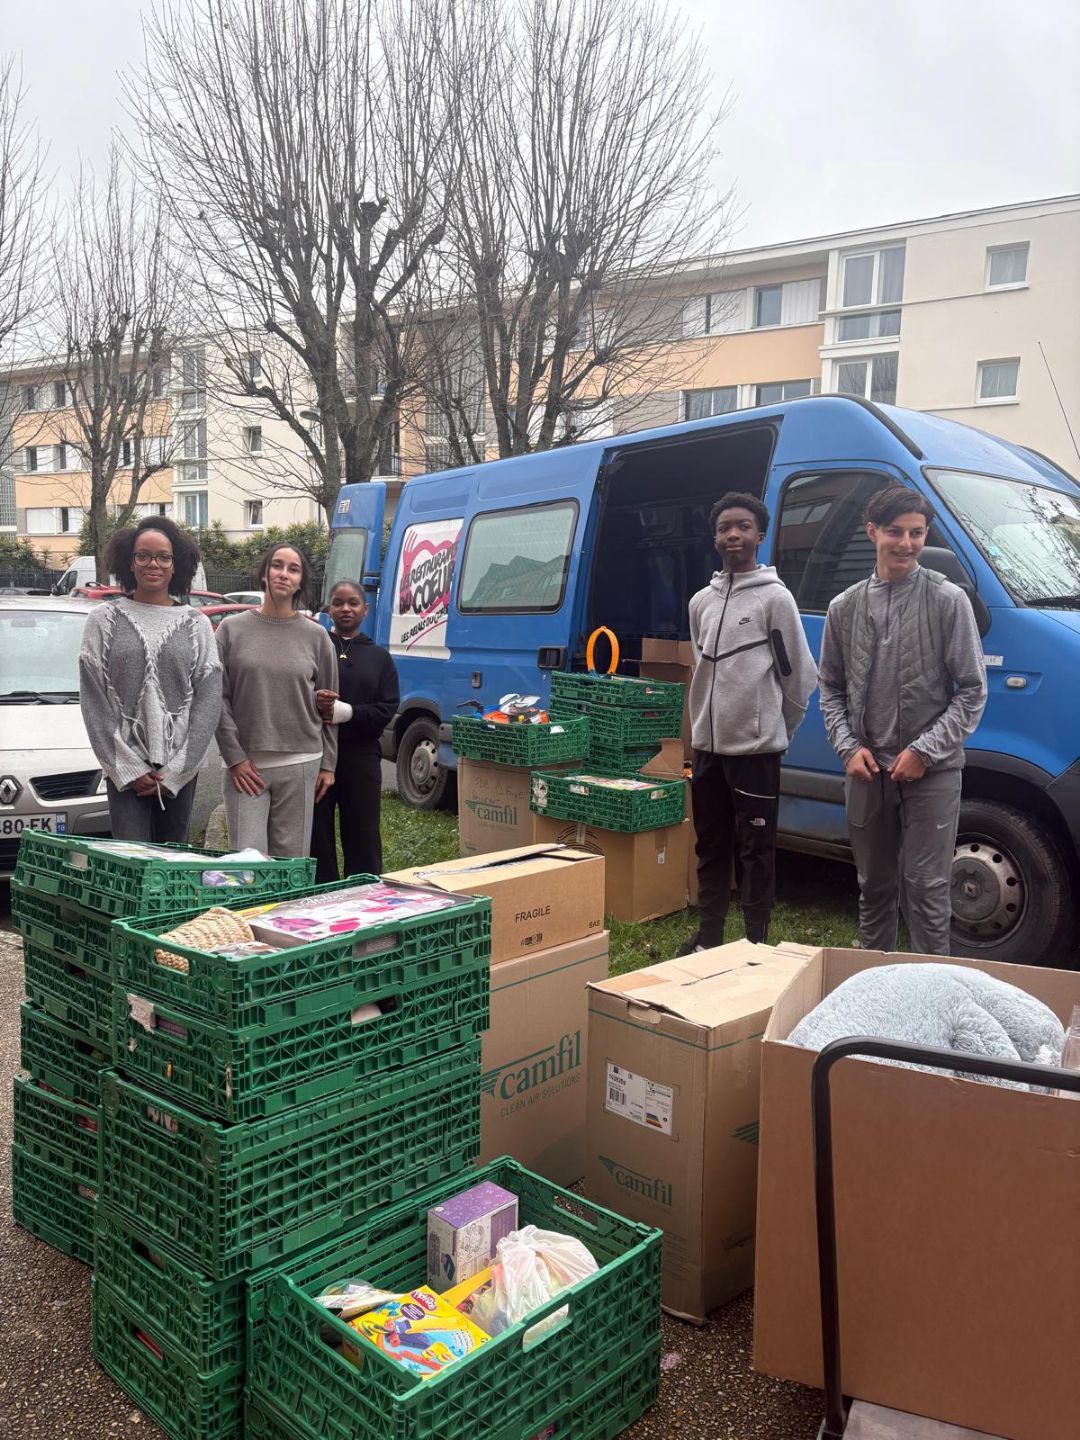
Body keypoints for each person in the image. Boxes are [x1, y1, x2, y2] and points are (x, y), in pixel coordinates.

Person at [819, 485, 987, 955]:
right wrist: (848, 747)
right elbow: (829, 687)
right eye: (895, 532)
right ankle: (874, 982)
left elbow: (972, 690)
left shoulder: (947, 600)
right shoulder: (844, 607)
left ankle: (932, 991)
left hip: (932, 773)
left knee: (928, 891)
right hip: (867, 771)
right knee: (873, 888)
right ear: (872, 531)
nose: (907, 543)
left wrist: (924, 752)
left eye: (917, 533)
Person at [683, 492, 818, 953]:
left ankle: (755, 944)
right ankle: (709, 938)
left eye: (743, 526)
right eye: (724, 528)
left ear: (760, 535)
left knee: (756, 850)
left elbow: (799, 676)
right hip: (707, 750)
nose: (733, 535)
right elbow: (700, 667)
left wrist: (775, 733)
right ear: (714, 538)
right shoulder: (700, 602)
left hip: (756, 754)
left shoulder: (775, 599)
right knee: (710, 845)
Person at [78, 517, 221, 843]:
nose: (152, 564)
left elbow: (208, 703)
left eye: (163, 557)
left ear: (176, 564)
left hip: (179, 772)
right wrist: (127, 769)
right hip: (124, 770)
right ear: (130, 562)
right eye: (143, 555)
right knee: (130, 864)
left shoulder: (196, 624)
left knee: (173, 867)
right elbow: (94, 702)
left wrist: (178, 772)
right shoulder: (102, 620)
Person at [215, 542, 338, 858]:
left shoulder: (317, 637)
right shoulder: (230, 630)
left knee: (290, 866)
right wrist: (234, 757)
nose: (284, 574)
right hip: (245, 767)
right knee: (247, 867)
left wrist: (328, 763)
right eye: (277, 565)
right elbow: (217, 698)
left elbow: (330, 708)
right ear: (264, 574)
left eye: (293, 569)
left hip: (301, 762)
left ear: (300, 582)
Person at [311, 581, 399, 882]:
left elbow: (387, 708)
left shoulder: (379, 657)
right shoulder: (316, 647)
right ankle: (321, 892)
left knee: (363, 833)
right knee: (317, 834)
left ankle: (364, 891)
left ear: (365, 609)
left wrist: (348, 712)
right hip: (317, 755)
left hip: (361, 758)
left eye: (353, 603)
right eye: (338, 603)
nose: (345, 609)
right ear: (329, 608)